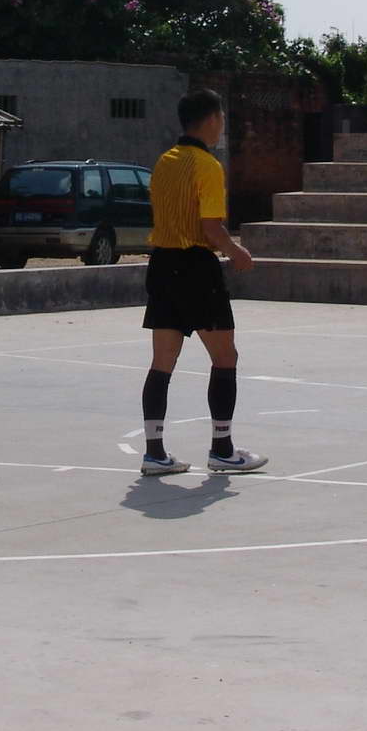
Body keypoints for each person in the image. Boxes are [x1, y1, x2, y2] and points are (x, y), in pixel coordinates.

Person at [138, 88, 265, 476]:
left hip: (162, 265)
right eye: (222, 117)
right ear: (212, 119)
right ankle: (222, 449)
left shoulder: (164, 162)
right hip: (195, 267)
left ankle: (154, 453)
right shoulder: (207, 165)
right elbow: (211, 227)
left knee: (162, 363)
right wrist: (236, 251)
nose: (222, 124)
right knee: (225, 358)